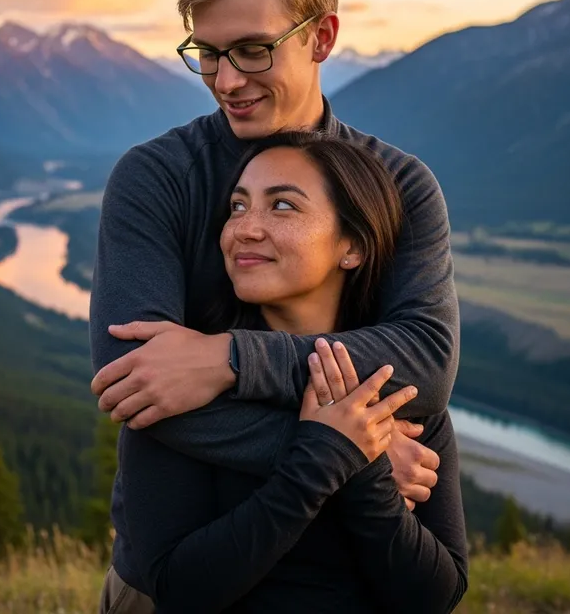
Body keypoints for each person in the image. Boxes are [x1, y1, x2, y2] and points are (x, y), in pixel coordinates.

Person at [90, 0, 460, 612]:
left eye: (253, 50)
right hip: (176, 578)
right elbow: (136, 387)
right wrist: (357, 454)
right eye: (207, 51)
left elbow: (425, 359)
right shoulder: (156, 178)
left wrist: (228, 359)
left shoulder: (400, 187)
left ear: (321, 37)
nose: (226, 79)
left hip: (348, 579)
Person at [119, 130, 467, 612]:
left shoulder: (398, 392)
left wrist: (366, 473)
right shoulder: (185, 379)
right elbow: (178, 589)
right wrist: (326, 461)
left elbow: (436, 595)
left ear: (353, 246)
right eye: (237, 207)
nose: (244, 228)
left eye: (282, 206)